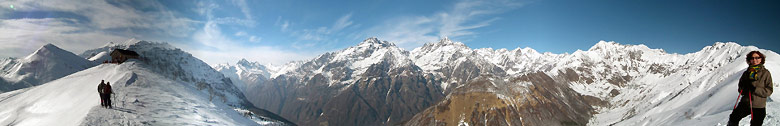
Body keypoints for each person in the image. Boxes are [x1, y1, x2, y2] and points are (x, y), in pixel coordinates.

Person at [728, 51, 774, 126]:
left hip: (759, 105)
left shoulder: (766, 73)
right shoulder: (746, 73)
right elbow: (740, 89)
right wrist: (744, 88)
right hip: (745, 103)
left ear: (761, 59)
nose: (754, 60)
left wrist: (755, 89)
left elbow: (769, 90)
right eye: (752, 58)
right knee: (733, 118)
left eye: (757, 58)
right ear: (749, 60)